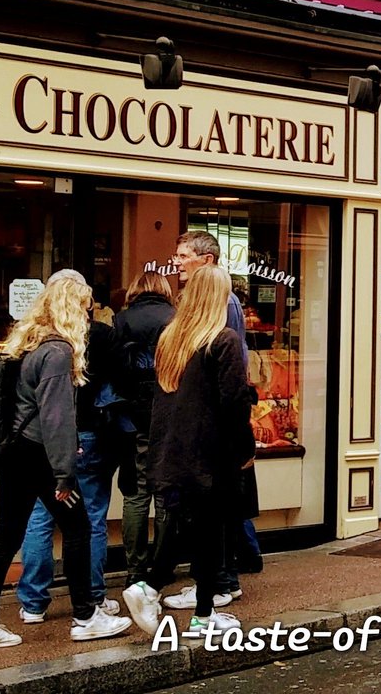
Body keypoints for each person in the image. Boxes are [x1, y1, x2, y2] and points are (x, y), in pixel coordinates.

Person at [0, 270, 131, 650]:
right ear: (74, 308)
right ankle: (85, 616)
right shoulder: (58, 353)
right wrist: (64, 476)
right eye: (86, 307)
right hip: (39, 454)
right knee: (78, 528)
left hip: (14, 451)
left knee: (6, 538)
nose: (90, 316)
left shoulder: (29, 344)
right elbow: (56, 419)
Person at [122, 266, 253, 638]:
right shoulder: (222, 341)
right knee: (209, 534)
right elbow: (234, 404)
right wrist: (244, 450)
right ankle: (185, 606)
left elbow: (164, 400)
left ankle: (188, 605)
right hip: (211, 454)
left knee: (190, 530)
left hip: (172, 452)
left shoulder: (172, 338)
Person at [160, 230, 262, 610]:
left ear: (206, 260)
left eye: (184, 255)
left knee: (215, 513)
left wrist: (240, 443)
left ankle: (217, 583)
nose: (177, 261)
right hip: (212, 434)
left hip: (214, 436)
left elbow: (231, 383)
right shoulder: (205, 314)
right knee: (214, 512)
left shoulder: (223, 310)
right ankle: (219, 581)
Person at [15, 302, 123, 623]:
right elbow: (121, 379)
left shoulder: (37, 341)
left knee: (40, 518)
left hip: (44, 440)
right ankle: (92, 597)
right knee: (90, 517)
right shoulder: (99, 336)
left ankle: (33, 602)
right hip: (90, 434)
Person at [112, 269, 176, 589]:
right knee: (165, 492)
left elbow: (115, 369)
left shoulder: (122, 320)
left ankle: (135, 569)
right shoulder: (175, 317)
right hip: (169, 410)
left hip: (131, 414)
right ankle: (162, 568)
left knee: (136, 492)